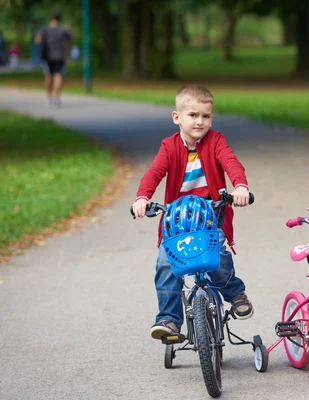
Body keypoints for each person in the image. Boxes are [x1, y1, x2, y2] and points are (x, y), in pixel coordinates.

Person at [131, 85, 254, 340]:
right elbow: (154, 173)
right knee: (166, 264)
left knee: (217, 256)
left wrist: (240, 186)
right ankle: (169, 319)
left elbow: (231, 162)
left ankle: (234, 292)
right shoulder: (169, 147)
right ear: (177, 117)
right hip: (177, 222)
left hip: (209, 216)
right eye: (193, 115)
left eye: (206, 116)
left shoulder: (216, 141)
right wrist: (142, 198)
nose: (200, 121)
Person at [35, 12, 72, 108]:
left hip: (48, 56)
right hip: (60, 56)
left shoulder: (45, 29)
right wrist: (67, 50)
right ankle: (57, 98)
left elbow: (37, 40)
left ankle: (49, 97)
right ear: (60, 19)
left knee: (48, 76)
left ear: (51, 18)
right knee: (58, 76)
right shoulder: (63, 30)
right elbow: (70, 38)